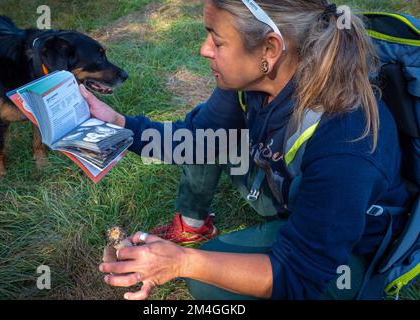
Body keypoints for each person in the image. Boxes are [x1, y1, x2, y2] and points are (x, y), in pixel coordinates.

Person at [80, 0, 410, 300]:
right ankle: (194, 225)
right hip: (289, 192)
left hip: (353, 247)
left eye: (217, 40)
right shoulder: (252, 84)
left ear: (269, 49)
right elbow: (194, 139)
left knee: (206, 284)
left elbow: (296, 276)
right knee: (213, 140)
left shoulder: (347, 142)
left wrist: (183, 263)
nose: (204, 50)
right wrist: (119, 123)